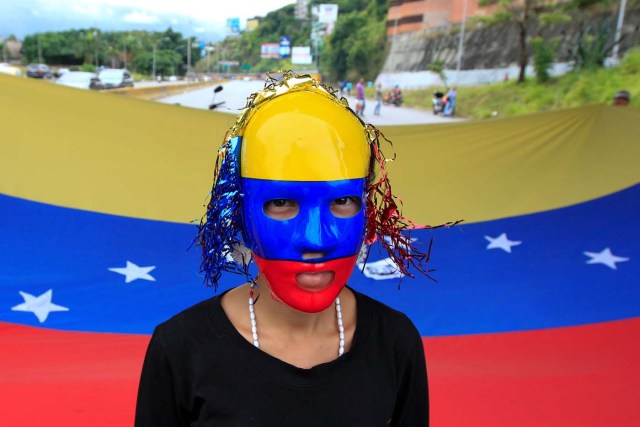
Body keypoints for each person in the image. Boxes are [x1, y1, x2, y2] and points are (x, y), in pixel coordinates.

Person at [135, 72, 435, 427]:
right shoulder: (180, 349)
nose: (316, 240)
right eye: (281, 203)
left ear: (367, 209)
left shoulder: (396, 343)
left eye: (342, 201)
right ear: (240, 214)